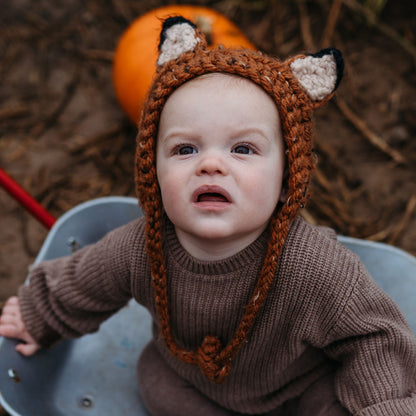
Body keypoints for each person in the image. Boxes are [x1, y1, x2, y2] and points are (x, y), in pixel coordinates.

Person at [1, 16, 415, 416]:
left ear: (288, 177)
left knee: (336, 403)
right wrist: (41, 313)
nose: (211, 165)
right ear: (152, 171)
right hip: (194, 379)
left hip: (301, 385)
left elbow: (373, 338)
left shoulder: (316, 269)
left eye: (243, 149)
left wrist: (385, 406)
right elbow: (87, 280)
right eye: (185, 150)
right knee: (155, 382)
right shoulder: (142, 247)